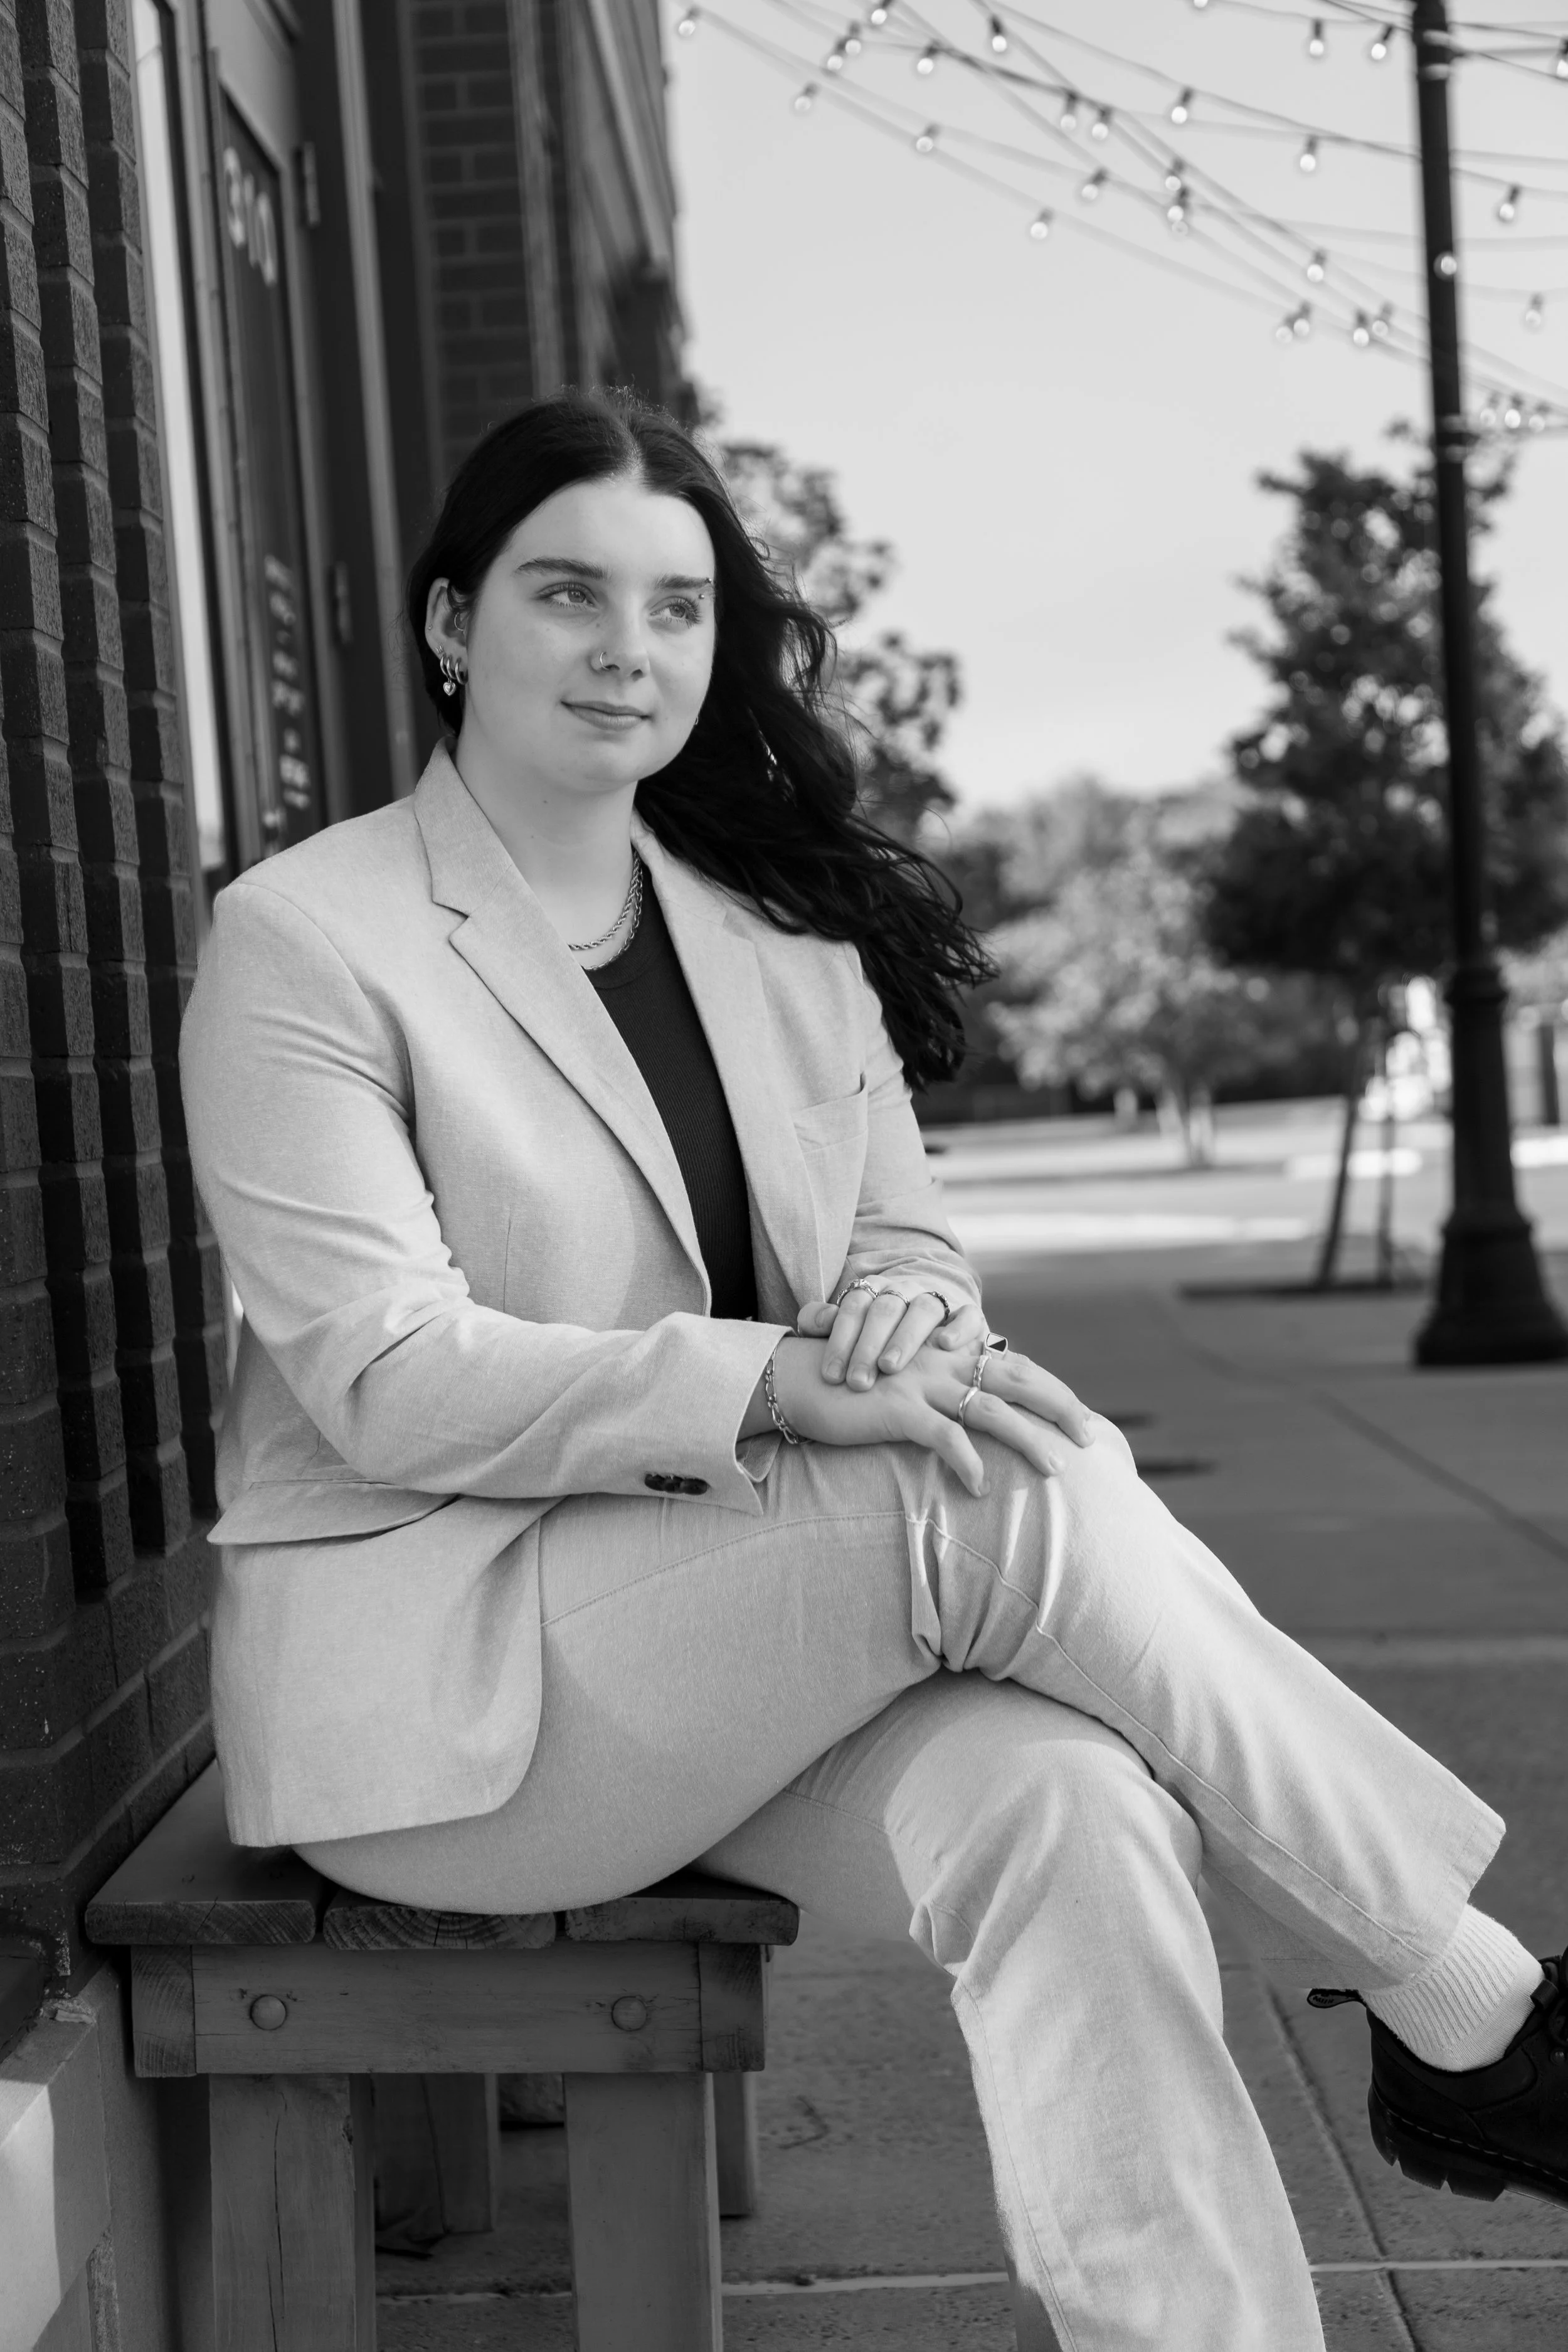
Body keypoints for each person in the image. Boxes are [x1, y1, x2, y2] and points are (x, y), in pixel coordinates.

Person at [179, 389, 1567, 2352]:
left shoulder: (778, 936)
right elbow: (384, 1374)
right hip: (456, 1694)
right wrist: (772, 1382)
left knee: (1075, 1805)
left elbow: (902, 1235)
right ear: (450, 623)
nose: (628, 648)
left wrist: (907, 1318)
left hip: (742, 1643)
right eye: (568, 592)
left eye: (675, 607)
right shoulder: (309, 939)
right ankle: (1472, 2004)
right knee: (975, 1486)